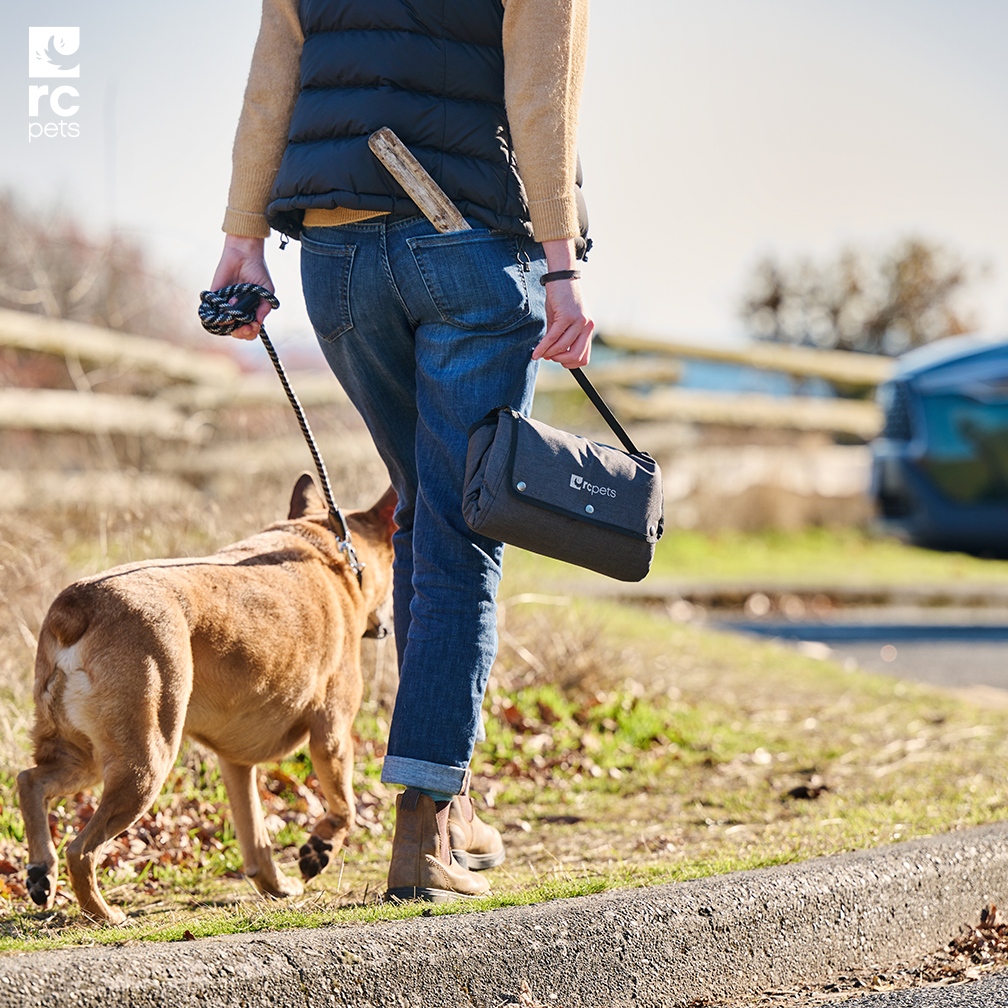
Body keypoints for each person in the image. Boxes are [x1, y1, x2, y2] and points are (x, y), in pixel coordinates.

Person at [210, 0, 594, 902]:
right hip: (467, 245)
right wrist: (563, 266)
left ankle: (450, 800)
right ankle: (425, 829)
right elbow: (543, 94)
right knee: (461, 530)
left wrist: (241, 240)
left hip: (334, 256)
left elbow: (272, 77)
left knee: (426, 512)